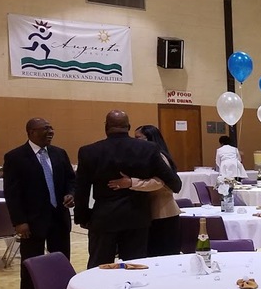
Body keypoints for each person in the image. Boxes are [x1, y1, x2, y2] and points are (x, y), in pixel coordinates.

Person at [74, 110, 182, 268]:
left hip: (104, 217)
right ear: (129, 127)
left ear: (106, 126)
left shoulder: (89, 151)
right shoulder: (148, 149)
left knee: (99, 268)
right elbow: (174, 183)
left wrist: (82, 218)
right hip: (137, 218)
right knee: (136, 267)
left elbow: (81, 189)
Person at [3, 117, 76, 289]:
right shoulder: (15, 157)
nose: (50, 132)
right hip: (31, 221)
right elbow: (12, 193)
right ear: (31, 132)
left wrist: (71, 194)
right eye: (45, 128)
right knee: (30, 264)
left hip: (59, 218)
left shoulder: (59, 153)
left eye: (51, 128)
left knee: (61, 262)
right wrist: (19, 221)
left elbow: (71, 180)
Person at [107, 125, 182, 257]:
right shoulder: (147, 155)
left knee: (165, 255)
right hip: (152, 212)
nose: (135, 141)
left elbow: (159, 182)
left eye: (138, 138)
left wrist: (131, 182)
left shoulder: (158, 155)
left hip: (163, 212)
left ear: (150, 138)